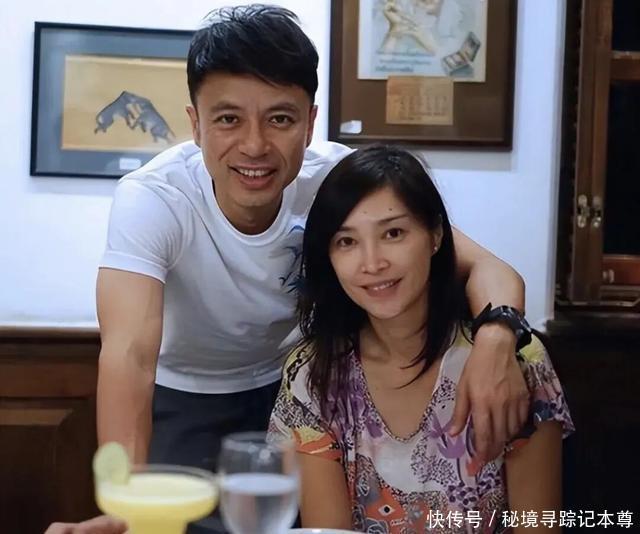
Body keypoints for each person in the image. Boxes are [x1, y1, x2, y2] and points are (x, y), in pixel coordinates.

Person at [97, 4, 527, 482]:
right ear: (196, 124)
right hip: (187, 392)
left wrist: (496, 339)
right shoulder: (154, 198)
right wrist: (120, 495)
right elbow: (129, 355)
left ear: (309, 123)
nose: (254, 146)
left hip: (300, 387)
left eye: (280, 119)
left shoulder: (336, 181)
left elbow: (488, 267)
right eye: (229, 119)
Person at [268, 145, 574, 533]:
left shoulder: (514, 361)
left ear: (435, 235)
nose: (373, 263)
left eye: (393, 233)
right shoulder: (313, 374)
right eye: (347, 242)